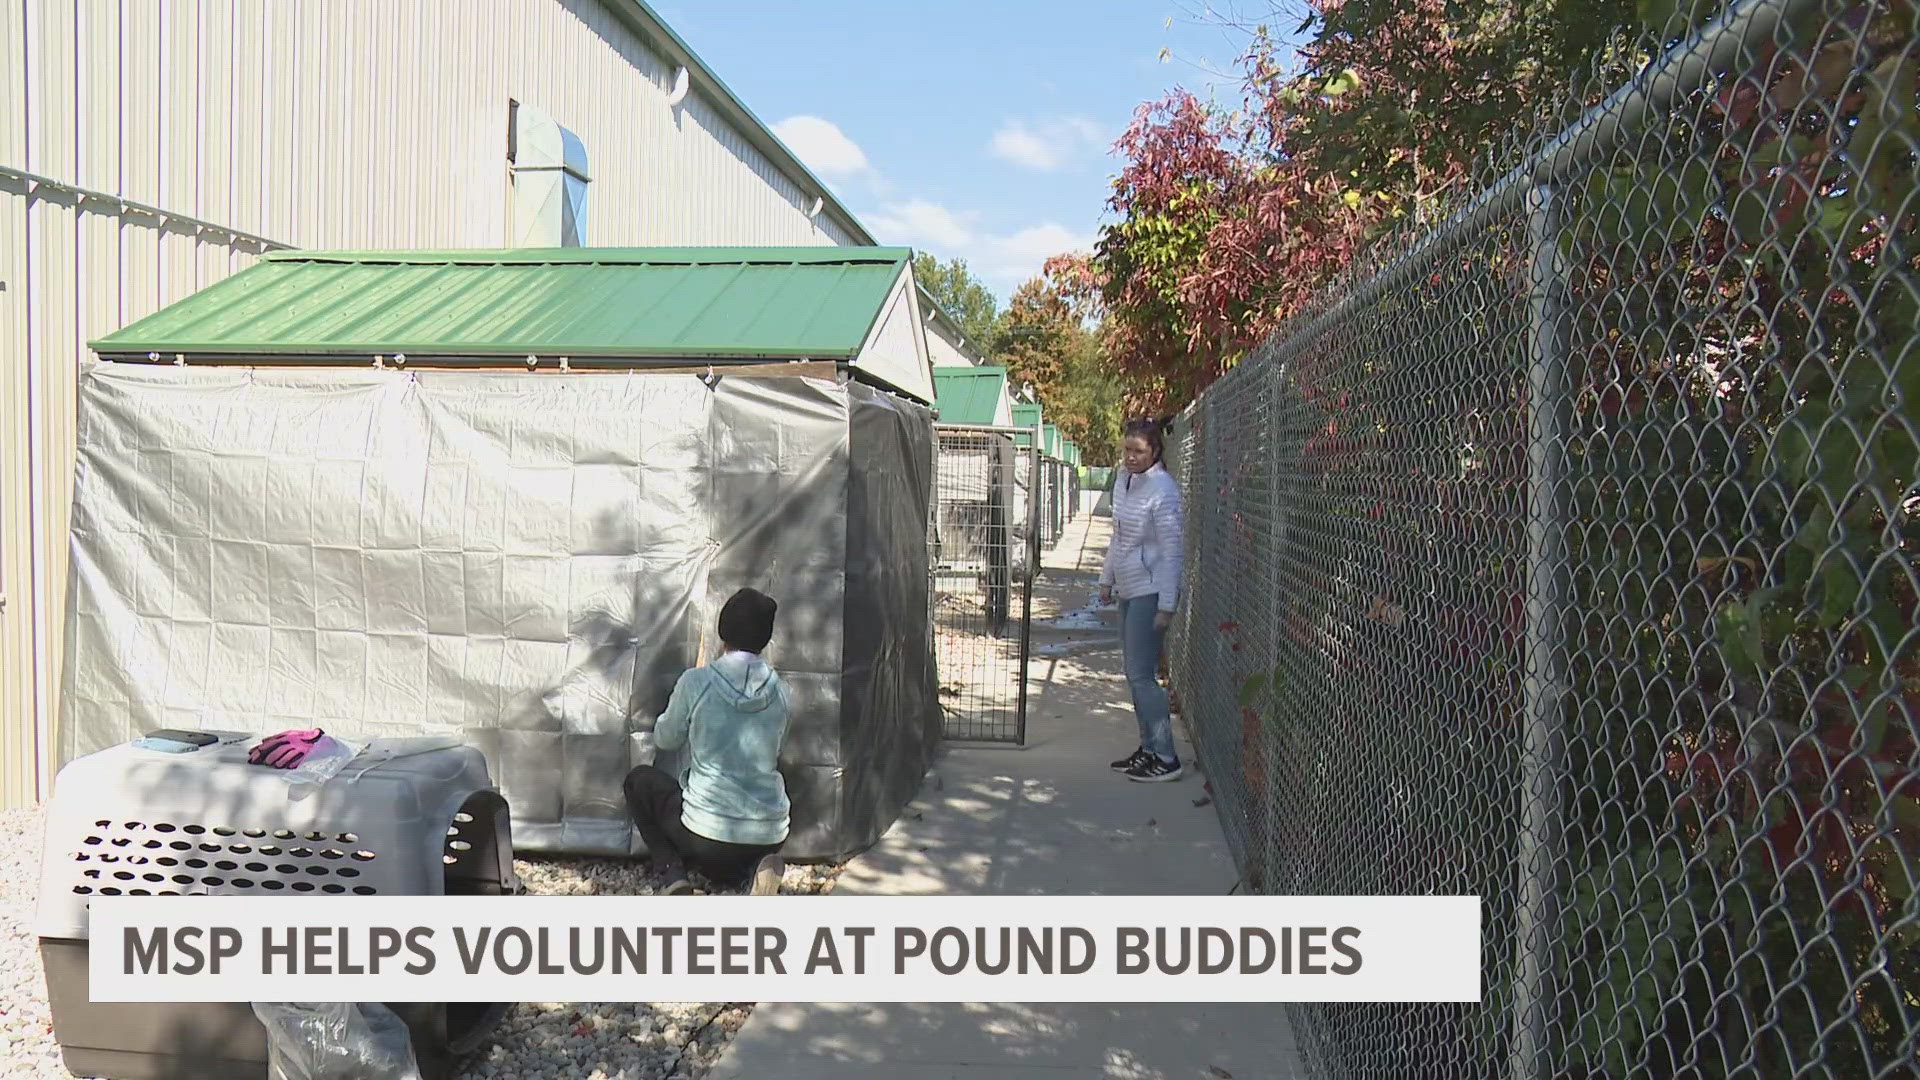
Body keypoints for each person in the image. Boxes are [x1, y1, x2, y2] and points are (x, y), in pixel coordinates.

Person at [623, 587, 791, 895]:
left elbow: (666, 739)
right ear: (765, 639)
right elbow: (778, 746)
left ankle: (673, 876)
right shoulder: (781, 691)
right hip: (770, 832)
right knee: (742, 826)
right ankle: (752, 872)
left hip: (706, 834)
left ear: (721, 630)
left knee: (639, 781)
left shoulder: (696, 682)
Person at [1101, 417, 1187, 782]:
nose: (1131, 457)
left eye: (1139, 452)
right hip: (1129, 588)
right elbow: (1119, 536)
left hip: (1151, 593)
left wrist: (1167, 605)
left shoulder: (1163, 491)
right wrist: (1106, 580)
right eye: (1127, 450)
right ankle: (1148, 749)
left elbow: (1173, 553)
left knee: (1142, 675)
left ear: (1154, 452)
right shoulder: (1124, 481)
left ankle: (1166, 757)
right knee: (1135, 676)